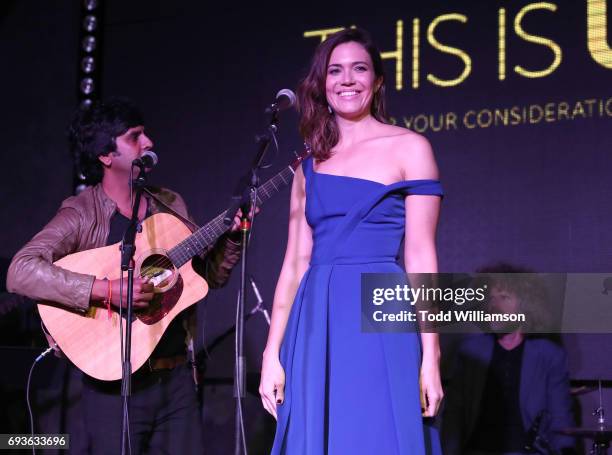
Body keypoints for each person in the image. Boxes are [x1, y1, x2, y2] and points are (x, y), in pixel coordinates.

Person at [6, 98, 242, 454]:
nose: (148, 143)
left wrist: (233, 237)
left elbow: (208, 278)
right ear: (106, 156)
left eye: (145, 134)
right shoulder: (81, 213)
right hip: (112, 389)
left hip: (177, 379)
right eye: (135, 137)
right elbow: (20, 270)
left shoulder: (169, 203)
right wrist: (104, 290)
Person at [259, 28, 444, 454]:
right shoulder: (309, 163)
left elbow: (421, 256)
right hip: (315, 317)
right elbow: (294, 263)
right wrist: (273, 353)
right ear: (322, 86)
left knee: (377, 433)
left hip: (380, 307)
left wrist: (430, 357)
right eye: (335, 71)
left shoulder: (410, 148)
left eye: (359, 69)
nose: (347, 79)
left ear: (377, 81)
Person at [441, 264, 576, 455]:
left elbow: (560, 418)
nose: (494, 306)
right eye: (490, 299)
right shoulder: (470, 352)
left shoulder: (549, 356)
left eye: (504, 297)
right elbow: (454, 415)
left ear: (525, 305)